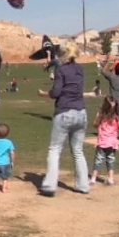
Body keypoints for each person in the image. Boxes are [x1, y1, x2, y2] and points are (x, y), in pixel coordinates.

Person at [37, 44, 90, 197]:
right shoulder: (81, 69)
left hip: (65, 111)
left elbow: (56, 92)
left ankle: (49, 185)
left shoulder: (61, 69)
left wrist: (44, 94)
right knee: (78, 151)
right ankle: (83, 185)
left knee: (54, 149)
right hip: (81, 112)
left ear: (63, 55)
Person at [90, 96, 119, 186]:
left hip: (102, 142)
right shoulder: (116, 117)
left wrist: (98, 118)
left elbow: (95, 125)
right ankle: (111, 179)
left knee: (98, 161)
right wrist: (115, 129)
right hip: (112, 143)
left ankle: (93, 179)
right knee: (110, 160)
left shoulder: (101, 115)